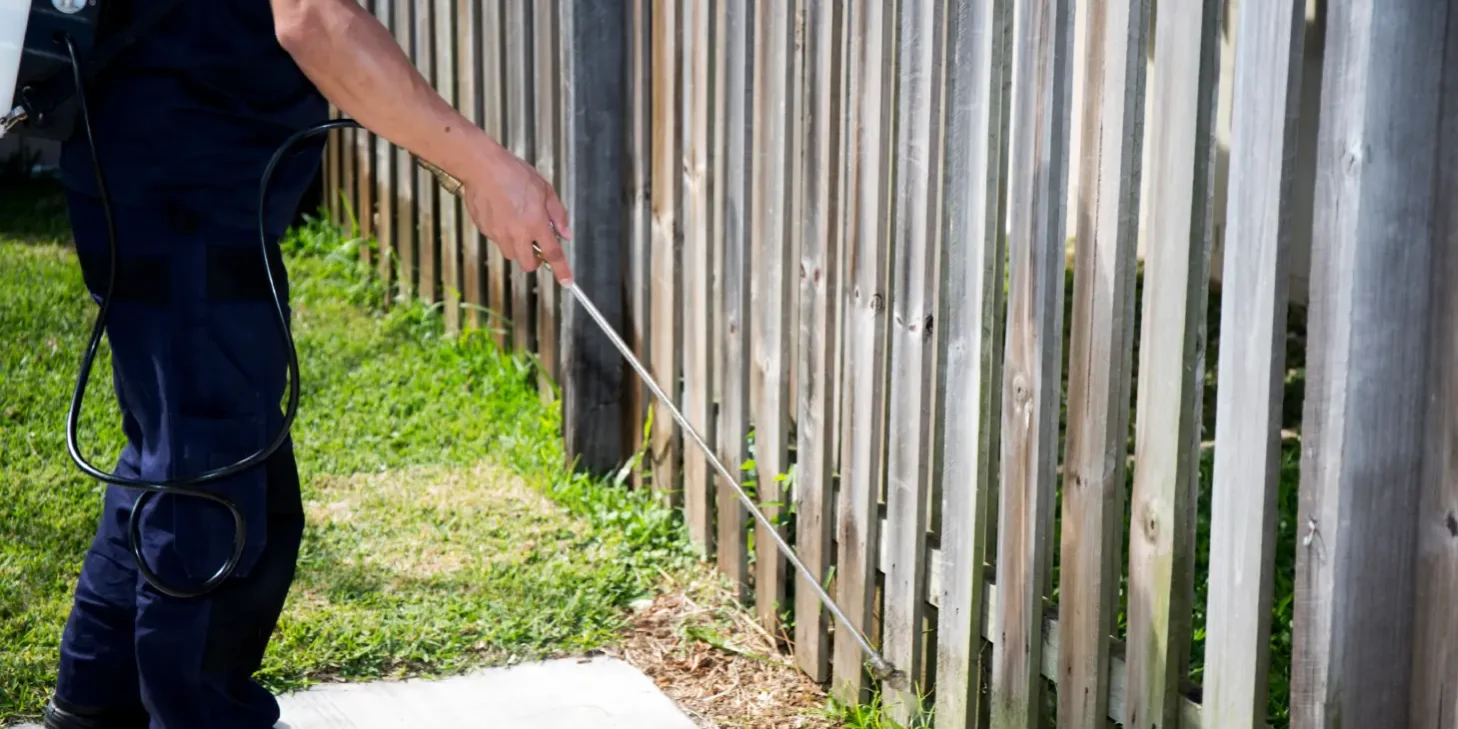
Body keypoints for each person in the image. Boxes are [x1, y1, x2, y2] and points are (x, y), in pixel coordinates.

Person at [42, 1, 573, 727]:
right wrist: (483, 168)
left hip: (168, 170)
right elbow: (315, 19)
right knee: (211, 483)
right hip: (179, 181)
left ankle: (97, 702)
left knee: (182, 449)